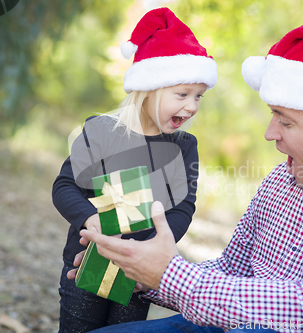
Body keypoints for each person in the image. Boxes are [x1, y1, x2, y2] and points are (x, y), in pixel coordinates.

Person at [70, 15, 303, 332]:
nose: (270, 133)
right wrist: (139, 271)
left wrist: (169, 275)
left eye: (285, 121)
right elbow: (233, 272)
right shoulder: (285, 179)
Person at [52, 7, 217, 333]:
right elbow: (65, 186)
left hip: (138, 271)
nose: (192, 105)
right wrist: (90, 218)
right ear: (149, 89)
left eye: (198, 96)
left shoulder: (184, 147)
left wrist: (158, 241)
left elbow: (184, 206)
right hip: (89, 260)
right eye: (182, 94)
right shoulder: (102, 132)